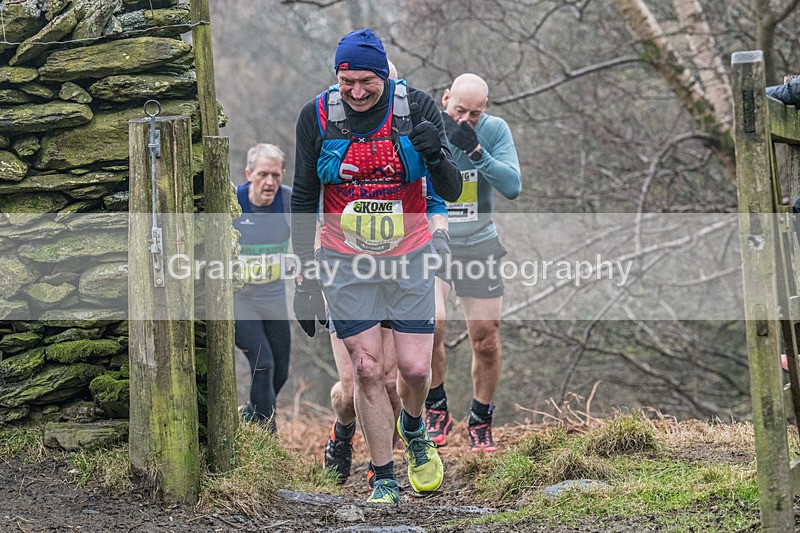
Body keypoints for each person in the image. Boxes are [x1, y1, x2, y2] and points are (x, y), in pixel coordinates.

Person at [291, 28, 461, 503]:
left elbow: (448, 189)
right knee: (365, 371)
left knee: (412, 370)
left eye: (368, 81)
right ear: (337, 77)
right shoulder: (317, 116)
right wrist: (304, 277)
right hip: (344, 261)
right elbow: (304, 197)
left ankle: (413, 426)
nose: (358, 92)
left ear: (385, 74)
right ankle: (383, 475)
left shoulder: (418, 108)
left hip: (409, 254)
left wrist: (433, 151)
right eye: (348, 83)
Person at [323, 61, 452, 487]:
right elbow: (309, 193)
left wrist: (440, 241)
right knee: (353, 381)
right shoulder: (332, 129)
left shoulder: (411, 134)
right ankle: (342, 433)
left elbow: (437, 200)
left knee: (400, 375)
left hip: (402, 266)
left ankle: (398, 454)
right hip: (347, 268)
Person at [425, 73, 522, 453]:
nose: (465, 120)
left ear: (486, 110)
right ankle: (435, 406)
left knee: (486, 337)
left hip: (479, 242)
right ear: (445, 98)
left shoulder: (494, 130)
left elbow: (512, 186)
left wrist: (478, 152)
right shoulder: (427, 126)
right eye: (459, 110)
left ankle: (481, 419)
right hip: (436, 239)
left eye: (475, 114)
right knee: (431, 323)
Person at [233, 143, 292, 433]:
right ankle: (265, 438)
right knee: (263, 364)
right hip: (240, 299)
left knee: (280, 372)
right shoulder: (234, 201)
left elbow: (314, 233)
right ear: (249, 174)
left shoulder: (288, 200)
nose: (270, 182)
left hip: (274, 295)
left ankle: (250, 417)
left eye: (276, 176)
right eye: (263, 175)